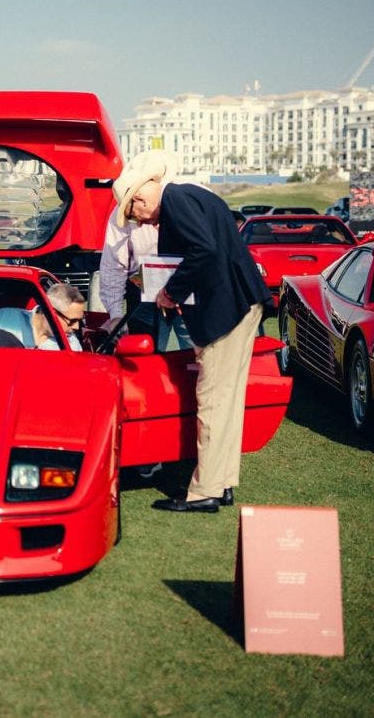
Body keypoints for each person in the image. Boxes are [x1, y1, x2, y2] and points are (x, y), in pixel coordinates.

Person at [115, 158, 270, 513]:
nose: (142, 221)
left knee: (213, 401)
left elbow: (204, 250)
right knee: (226, 402)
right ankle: (221, 481)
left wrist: (170, 290)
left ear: (139, 198)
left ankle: (206, 492)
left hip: (224, 313)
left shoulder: (176, 201)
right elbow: (210, 249)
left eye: (137, 213)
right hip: (240, 307)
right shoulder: (191, 196)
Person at [96, 150, 193, 353]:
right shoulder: (119, 215)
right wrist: (115, 314)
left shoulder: (184, 202)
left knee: (196, 355)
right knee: (144, 357)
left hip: (188, 291)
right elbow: (114, 264)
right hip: (144, 295)